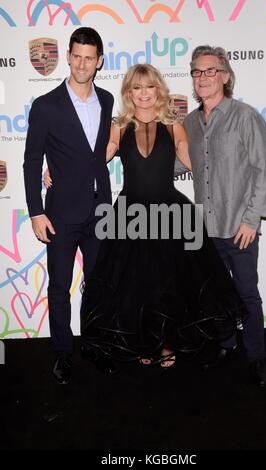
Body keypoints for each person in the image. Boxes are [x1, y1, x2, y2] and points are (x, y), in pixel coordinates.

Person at [44, 64, 243, 369]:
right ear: (129, 93)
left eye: (149, 87)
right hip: (131, 215)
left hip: (169, 213)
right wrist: (59, 169)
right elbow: (97, 156)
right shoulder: (119, 126)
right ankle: (142, 342)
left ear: (157, 90)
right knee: (136, 285)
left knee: (166, 283)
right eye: (137, 88)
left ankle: (164, 345)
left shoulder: (174, 125)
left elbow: (191, 158)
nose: (144, 94)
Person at [23, 27, 114, 385]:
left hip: (100, 210)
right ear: (68, 56)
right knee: (60, 287)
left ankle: (95, 345)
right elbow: (32, 162)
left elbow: (99, 152)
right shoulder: (46, 105)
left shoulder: (106, 100)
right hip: (59, 213)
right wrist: (35, 211)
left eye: (88, 57)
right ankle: (63, 353)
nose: (81, 63)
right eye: (76, 55)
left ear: (99, 61)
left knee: (98, 284)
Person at [183, 45, 266, 387]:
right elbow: (179, 164)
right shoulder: (190, 123)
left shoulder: (245, 116)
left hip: (240, 229)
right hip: (206, 230)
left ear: (224, 75)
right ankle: (225, 344)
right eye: (197, 71)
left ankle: (256, 357)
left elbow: (264, 170)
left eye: (210, 71)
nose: (203, 77)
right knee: (217, 296)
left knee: (247, 295)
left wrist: (252, 219)